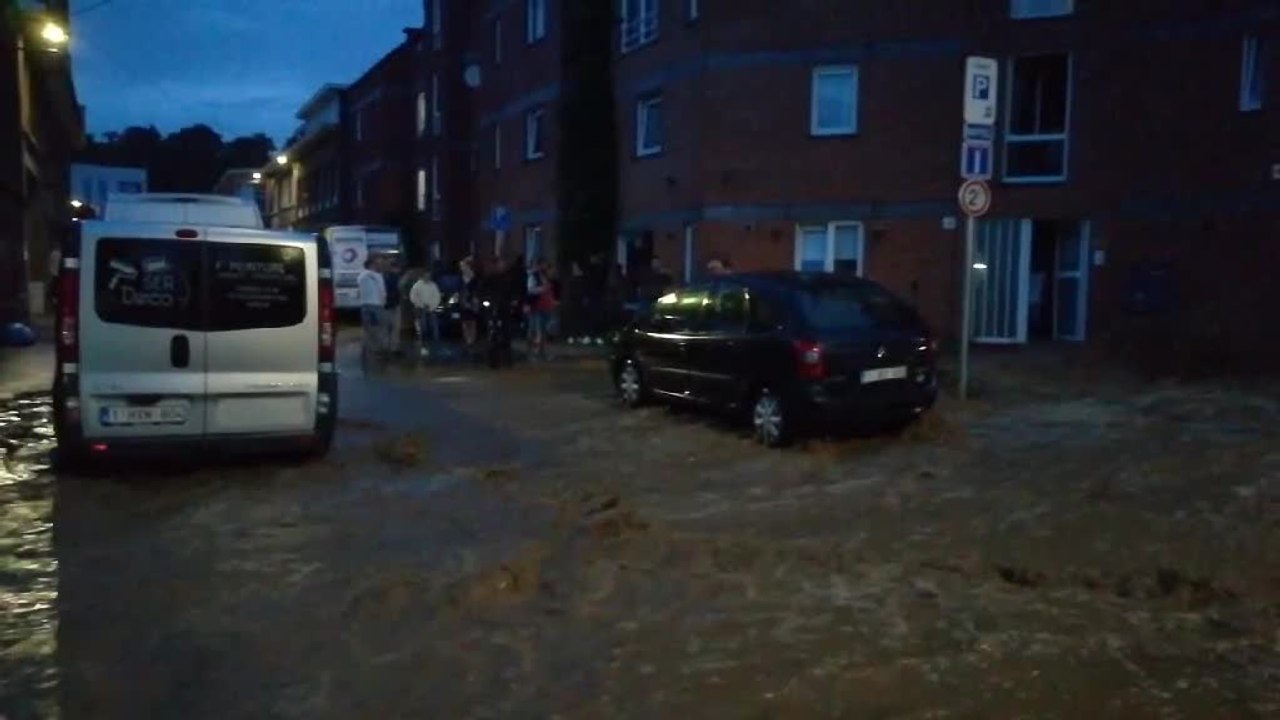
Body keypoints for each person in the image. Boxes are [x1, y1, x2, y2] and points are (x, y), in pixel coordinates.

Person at [357, 256, 388, 358]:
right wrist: (383, 301)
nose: (378, 265)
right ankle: (380, 349)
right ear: (371, 265)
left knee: (368, 328)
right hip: (376, 305)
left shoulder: (361, 276)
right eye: (376, 263)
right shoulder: (377, 276)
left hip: (364, 305)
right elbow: (382, 291)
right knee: (380, 327)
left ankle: (368, 349)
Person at [526, 258, 556, 360]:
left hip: (546, 307)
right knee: (537, 331)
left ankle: (541, 351)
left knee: (543, 331)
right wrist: (542, 289)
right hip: (537, 308)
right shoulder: (534, 277)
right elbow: (530, 290)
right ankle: (534, 352)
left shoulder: (546, 277)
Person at [409, 269, 442, 359]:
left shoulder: (433, 285)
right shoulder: (417, 286)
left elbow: (437, 296)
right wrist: (422, 305)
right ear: (423, 276)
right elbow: (413, 297)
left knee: (434, 328)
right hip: (421, 309)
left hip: (432, 309)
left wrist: (432, 306)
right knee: (423, 328)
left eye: (429, 275)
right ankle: (423, 346)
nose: (428, 277)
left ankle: (435, 346)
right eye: (426, 275)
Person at [458, 256, 480, 356]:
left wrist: (474, 301)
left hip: (471, 301)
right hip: (463, 302)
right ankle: (468, 340)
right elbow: (459, 290)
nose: (463, 268)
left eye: (465, 267)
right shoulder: (460, 279)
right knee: (465, 322)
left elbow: (476, 291)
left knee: (472, 322)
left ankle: (472, 340)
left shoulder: (473, 278)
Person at [382, 258, 403, 355]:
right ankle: (393, 348)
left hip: (386, 305)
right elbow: (398, 291)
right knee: (394, 329)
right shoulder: (395, 278)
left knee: (387, 329)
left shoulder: (383, 277)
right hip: (393, 305)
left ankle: (387, 348)